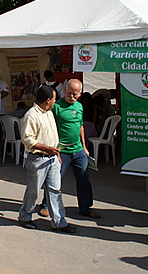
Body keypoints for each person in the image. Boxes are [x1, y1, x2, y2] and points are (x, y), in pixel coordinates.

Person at [39, 79, 101, 219]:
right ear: (65, 91)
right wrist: (54, 148)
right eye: (69, 93)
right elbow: (50, 127)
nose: (71, 96)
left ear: (80, 93)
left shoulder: (79, 107)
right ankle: (45, 205)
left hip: (78, 150)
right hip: (61, 151)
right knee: (55, 179)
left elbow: (80, 127)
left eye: (74, 94)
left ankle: (85, 208)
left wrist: (84, 147)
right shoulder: (57, 106)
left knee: (84, 179)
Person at [18, 85, 76, 233]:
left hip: (52, 159)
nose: (56, 102)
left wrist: (56, 154)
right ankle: (25, 216)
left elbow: (53, 135)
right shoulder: (31, 115)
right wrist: (46, 148)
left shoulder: (48, 112)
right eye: (55, 99)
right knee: (33, 190)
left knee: (55, 190)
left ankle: (59, 221)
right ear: (48, 100)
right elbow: (28, 140)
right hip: (38, 159)